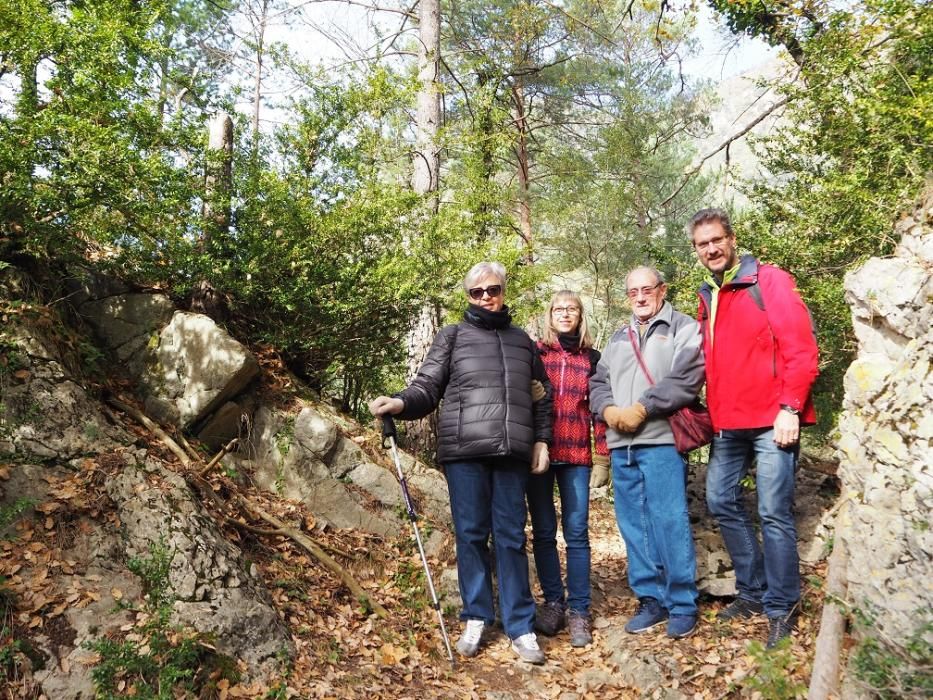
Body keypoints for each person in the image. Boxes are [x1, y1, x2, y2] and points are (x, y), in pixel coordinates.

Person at [368, 261, 553, 665]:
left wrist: (541, 441)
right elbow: (427, 386)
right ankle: (476, 617)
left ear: (504, 292)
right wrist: (400, 403)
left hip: (511, 453)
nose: (486, 297)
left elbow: (541, 397)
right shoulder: (451, 336)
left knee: (509, 537)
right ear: (468, 297)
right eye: (477, 292)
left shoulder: (524, 342)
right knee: (470, 535)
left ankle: (520, 625)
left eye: (493, 289)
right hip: (464, 453)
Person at [689, 207, 819, 649]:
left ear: (732, 239)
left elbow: (801, 347)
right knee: (720, 498)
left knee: (772, 511)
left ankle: (782, 606)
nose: (711, 248)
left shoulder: (769, 281)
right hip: (729, 424)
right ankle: (753, 591)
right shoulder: (709, 295)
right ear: (696, 250)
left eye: (716, 240)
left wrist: (791, 407)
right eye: (703, 244)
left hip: (773, 421)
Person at [589, 266, 705, 639]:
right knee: (633, 525)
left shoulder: (683, 327)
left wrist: (643, 407)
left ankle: (683, 603)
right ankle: (650, 600)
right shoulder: (617, 337)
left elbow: (687, 377)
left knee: (669, 519)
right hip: (622, 446)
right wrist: (609, 411)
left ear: (662, 290)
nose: (639, 297)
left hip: (661, 440)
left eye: (646, 289)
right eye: (632, 292)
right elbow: (598, 382)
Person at [527, 290, 608, 648]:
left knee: (577, 533)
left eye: (571, 309)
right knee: (544, 532)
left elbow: (601, 411)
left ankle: (578, 609)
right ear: (550, 315)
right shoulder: (536, 354)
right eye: (558, 309)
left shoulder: (592, 358)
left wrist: (602, 457)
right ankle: (553, 603)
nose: (564, 314)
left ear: (580, 315)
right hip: (540, 455)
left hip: (577, 457)